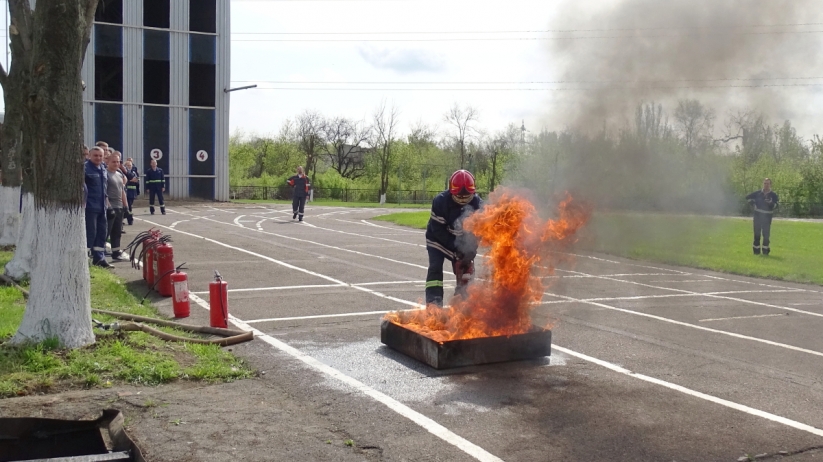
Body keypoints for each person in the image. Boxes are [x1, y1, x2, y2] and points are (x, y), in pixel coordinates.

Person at [424, 169, 482, 306]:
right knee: (435, 267)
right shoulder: (440, 202)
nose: (462, 200)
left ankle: (462, 302)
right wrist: (456, 247)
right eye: (459, 197)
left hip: (462, 242)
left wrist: (470, 249)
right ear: (451, 191)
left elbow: (479, 232)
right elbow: (437, 230)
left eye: (466, 196)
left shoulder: (478, 205)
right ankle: (434, 303)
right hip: (438, 241)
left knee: (466, 270)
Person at [84, 147, 111, 268]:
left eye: (100, 156)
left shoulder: (103, 169)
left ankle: (99, 258)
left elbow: (104, 189)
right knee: (91, 233)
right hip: (90, 207)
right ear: (90, 156)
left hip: (102, 207)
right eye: (95, 155)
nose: (98, 158)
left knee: (102, 233)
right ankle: (86, 259)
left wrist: (107, 204)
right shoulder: (85, 168)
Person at [746, 178, 779, 255]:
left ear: (770, 185)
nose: (766, 185)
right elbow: (747, 197)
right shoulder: (758, 193)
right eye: (765, 183)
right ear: (763, 184)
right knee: (757, 234)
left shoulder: (773, 195)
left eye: (768, 184)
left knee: (766, 235)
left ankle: (765, 251)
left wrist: (771, 204)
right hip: (757, 216)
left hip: (767, 217)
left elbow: (776, 205)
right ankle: (756, 252)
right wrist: (753, 204)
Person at [105, 153, 128, 260]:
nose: (116, 164)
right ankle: (99, 254)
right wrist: (108, 207)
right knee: (106, 231)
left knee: (117, 231)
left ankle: (116, 252)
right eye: (113, 161)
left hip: (119, 206)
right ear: (108, 162)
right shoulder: (105, 174)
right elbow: (103, 193)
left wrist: (126, 206)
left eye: (118, 162)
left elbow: (122, 191)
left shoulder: (119, 174)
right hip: (110, 207)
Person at [123, 159, 139, 225]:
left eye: (130, 165)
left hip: (132, 192)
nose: (129, 166)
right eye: (128, 165)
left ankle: (125, 218)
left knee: (130, 206)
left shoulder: (134, 172)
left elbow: (137, 180)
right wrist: (130, 181)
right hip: (126, 191)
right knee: (128, 206)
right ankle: (130, 219)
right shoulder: (124, 172)